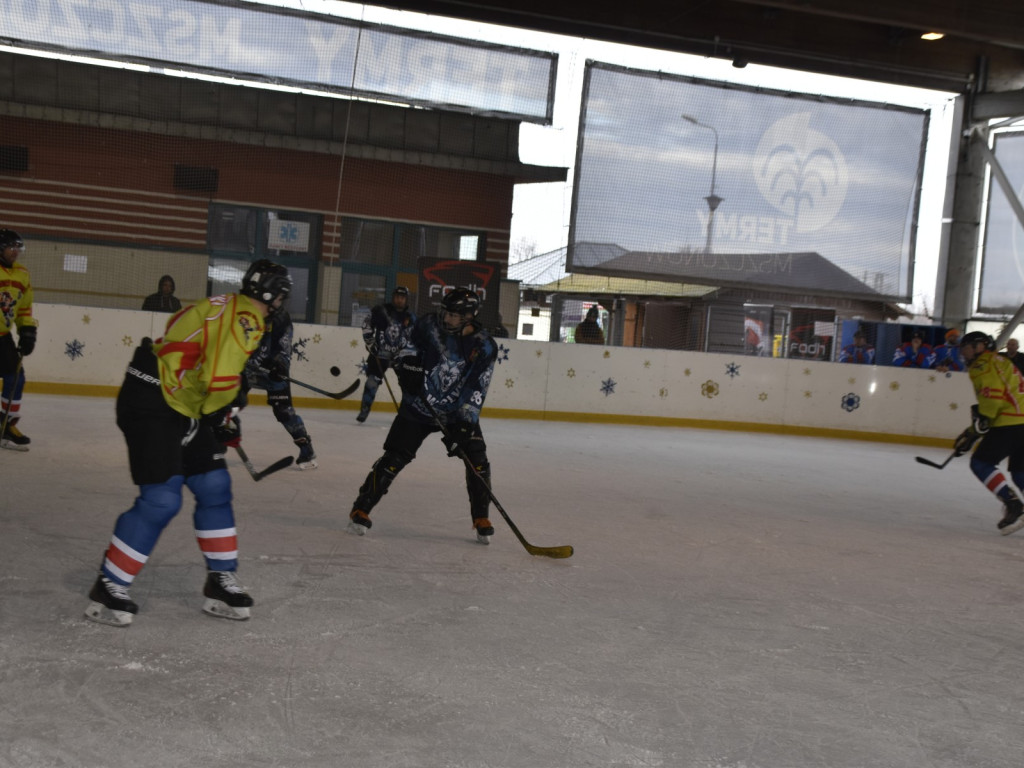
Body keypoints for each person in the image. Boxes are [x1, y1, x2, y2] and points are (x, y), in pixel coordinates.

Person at [84, 259, 292, 627]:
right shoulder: (249, 319)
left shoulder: (227, 303)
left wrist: (225, 408)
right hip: (152, 400)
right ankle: (110, 583)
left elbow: (192, 348)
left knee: (213, 483)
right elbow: (219, 376)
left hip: (178, 400)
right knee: (162, 499)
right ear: (276, 296)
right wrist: (222, 408)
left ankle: (219, 579)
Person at [347, 287, 499, 543]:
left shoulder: (485, 346)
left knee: (478, 461)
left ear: (469, 317)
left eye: (453, 315)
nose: (447, 319)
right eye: (446, 313)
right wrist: (408, 369)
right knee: (395, 457)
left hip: (454, 413)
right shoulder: (429, 324)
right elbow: (408, 348)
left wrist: (464, 425)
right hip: (418, 406)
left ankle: (481, 517)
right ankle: (361, 508)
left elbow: (477, 387)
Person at [953, 331, 1024, 536]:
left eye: (966, 349)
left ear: (979, 347)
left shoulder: (982, 364)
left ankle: (1014, 506)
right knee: (1020, 472)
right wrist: (977, 427)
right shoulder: (1001, 361)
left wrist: (974, 430)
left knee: (981, 463)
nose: (964, 354)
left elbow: (992, 401)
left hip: (1010, 421)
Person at [242, 308, 317, 469]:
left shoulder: (280, 317)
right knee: (229, 400)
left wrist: (279, 365)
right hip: (246, 367)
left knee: (283, 411)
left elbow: (283, 347)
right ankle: (216, 443)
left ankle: (306, 448)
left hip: (271, 369)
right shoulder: (243, 311)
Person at [0, 229, 38, 451]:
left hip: (3, 338)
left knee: (16, 379)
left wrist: (27, 332)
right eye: (10, 247)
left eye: (17, 248)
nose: (15, 252)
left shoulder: (22, 274)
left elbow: (24, 308)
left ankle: (6, 425)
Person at [356, 286, 416, 423]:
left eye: (402, 298)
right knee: (372, 382)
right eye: (397, 297)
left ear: (406, 299)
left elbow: (414, 338)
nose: (399, 300)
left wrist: (407, 352)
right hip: (379, 354)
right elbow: (367, 324)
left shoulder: (411, 317)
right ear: (393, 297)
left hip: (400, 357)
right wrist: (370, 342)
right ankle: (364, 411)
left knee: (408, 385)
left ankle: (405, 414)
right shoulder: (381, 310)